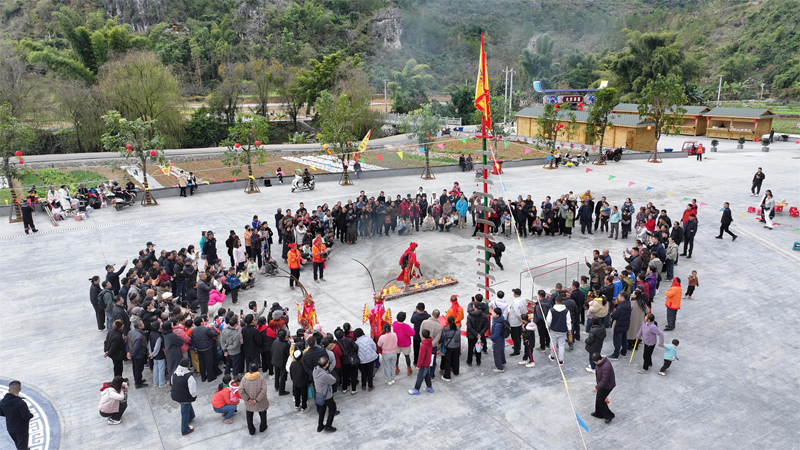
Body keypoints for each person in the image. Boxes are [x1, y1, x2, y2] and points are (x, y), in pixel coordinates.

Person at [0, 380, 34, 449]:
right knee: (22, 446)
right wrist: (31, 415)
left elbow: (1, 413)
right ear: (20, 389)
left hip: (10, 428)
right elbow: (26, 416)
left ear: (9, 390)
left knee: (18, 444)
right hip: (21, 429)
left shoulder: (2, 402)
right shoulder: (21, 403)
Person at [240, 363, 269, 435]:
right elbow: (264, 391)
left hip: (249, 403)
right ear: (258, 369)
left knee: (249, 414)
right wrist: (256, 400)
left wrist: (248, 399)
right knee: (263, 414)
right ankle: (263, 427)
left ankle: (251, 430)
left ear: (249, 370)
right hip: (260, 402)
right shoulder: (261, 378)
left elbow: (240, 390)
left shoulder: (244, 379)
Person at [171, 357, 197, 436]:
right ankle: (185, 429)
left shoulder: (175, 373)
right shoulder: (189, 377)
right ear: (188, 365)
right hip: (184, 397)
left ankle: (191, 416)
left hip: (175, 395)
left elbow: (172, 383)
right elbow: (192, 390)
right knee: (184, 411)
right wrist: (194, 396)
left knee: (187, 405)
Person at [313, 356, 338, 432]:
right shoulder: (325, 375)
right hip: (326, 395)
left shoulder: (315, 369)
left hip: (319, 393)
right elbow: (333, 381)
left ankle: (320, 426)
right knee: (332, 409)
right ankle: (328, 426)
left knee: (322, 410)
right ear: (326, 365)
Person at [590, 353, 616, 424]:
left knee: (600, 400)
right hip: (603, 385)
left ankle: (609, 415)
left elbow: (605, 380)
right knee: (599, 398)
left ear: (597, 360)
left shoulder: (605, 367)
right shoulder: (602, 363)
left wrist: (597, 387)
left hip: (607, 386)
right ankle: (598, 413)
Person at [408, 329, 434, 395]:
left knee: (420, 377)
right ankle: (429, 387)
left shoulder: (423, 345)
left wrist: (418, 365)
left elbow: (421, 357)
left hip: (424, 364)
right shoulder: (430, 341)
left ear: (422, 335)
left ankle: (416, 389)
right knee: (427, 375)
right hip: (428, 362)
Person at [546, 296, 571, 365]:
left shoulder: (552, 310)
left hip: (554, 329)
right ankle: (561, 359)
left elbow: (548, 320)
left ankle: (552, 355)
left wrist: (548, 326)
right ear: (562, 302)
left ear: (555, 302)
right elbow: (568, 321)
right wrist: (569, 329)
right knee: (561, 345)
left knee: (553, 343)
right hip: (563, 330)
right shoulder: (566, 311)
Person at [608, 293, 631, 360]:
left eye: (619, 296)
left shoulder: (620, 307)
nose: (618, 297)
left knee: (617, 340)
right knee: (624, 339)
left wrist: (612, 313)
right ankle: (624, 352)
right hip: (625, 324)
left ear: (622, 298)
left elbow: (614, 315)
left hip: (619, 325)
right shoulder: (628, 304)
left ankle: (615, 354)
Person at [466, 300, 489, 367]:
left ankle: (469, 361)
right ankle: (478, 361)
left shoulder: (470, 316)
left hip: (471, 335)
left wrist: (475, 334)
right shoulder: (484, 316)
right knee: (478, 348)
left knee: (470, 348)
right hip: (480, 335)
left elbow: (469, 327)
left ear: (474, 307)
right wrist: (479, 334)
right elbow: (486, 326)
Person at [392, 312, 415, 376]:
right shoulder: (406, 326)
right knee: (407, 357)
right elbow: (412, 333)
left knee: (397, 356)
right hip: (405, 344)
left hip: (397, 343)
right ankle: (409, 369)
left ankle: (396, 368)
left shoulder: (394, 323)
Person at [127, 320, 148, 388]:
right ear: (139, 327)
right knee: (138, 369)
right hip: (138, 355)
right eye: (142, 324)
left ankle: (139, 379)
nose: (143, 324)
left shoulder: (131, 332)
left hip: (134, 353)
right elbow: (136, 347)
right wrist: (132, 355)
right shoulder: (139, 336)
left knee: (136, 368)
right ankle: (138, 382)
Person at [440, 316, 460, 381]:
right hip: (456, 346)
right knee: (456, 359)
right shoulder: (458, 328)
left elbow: (443, 337)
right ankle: (456, 371)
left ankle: (447, 376)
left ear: (447, 321)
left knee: (447, 361)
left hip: (448, 346)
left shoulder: (445, 329)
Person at [271, 329, 290, 395]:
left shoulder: (275, 341)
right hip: (282, 363)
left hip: (275, 360)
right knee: (283, 376)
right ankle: (281, 390)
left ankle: (276, 386)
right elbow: (288, 355)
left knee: (277, 374)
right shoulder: (286, 345)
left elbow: (272, 350)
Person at [508, 288, 526, 356]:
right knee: (518, 335)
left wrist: (521, 319)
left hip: (515, 321)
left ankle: (516, 350)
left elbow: (517, 313)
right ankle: (517, 346)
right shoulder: (523, 299)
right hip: (519, 321)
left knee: (515, 336)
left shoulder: (516, 303)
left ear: (515, 294)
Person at [148, 321, 167, 387]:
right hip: (159, 354)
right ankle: (162, 383)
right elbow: (157, 347)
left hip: (153, 354)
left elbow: (149, 344)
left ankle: (155, 382)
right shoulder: (158, 336)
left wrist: (150, 353)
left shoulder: (151, 334)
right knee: (161, 369)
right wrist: (153, 353)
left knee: (155, 367)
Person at [490, 307, 507, 373]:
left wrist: (492, 337)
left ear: (497, 315)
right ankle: (503, 362)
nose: (492, 313)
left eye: (494, 313)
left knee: (497, 353)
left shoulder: (497, 324)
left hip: (497, 340)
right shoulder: (500, 320)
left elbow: (496, 334)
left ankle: (499, 367)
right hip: (501, 339)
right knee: (501, 351)